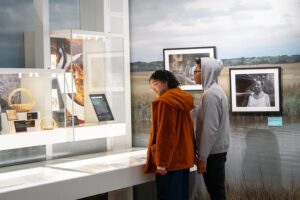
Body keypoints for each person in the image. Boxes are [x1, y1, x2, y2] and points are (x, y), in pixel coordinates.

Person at [144, 70, 195, 200]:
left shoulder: (165, 102)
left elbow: (166, 133)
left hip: (170, 164)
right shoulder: (181, 98)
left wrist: (162, 162)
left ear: (165, 82)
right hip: (183, 159)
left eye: (155, 84)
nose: (153, 89)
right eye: (151, 87)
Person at [194, 57, 230, 200]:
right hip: (215, 151)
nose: (194, 73)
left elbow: (210, 129)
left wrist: (202, 158)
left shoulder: (211, 94)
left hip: (212, 154)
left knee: (216, 192)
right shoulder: (214, 91)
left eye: (197, 70)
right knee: (216, 191)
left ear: (206, 72)